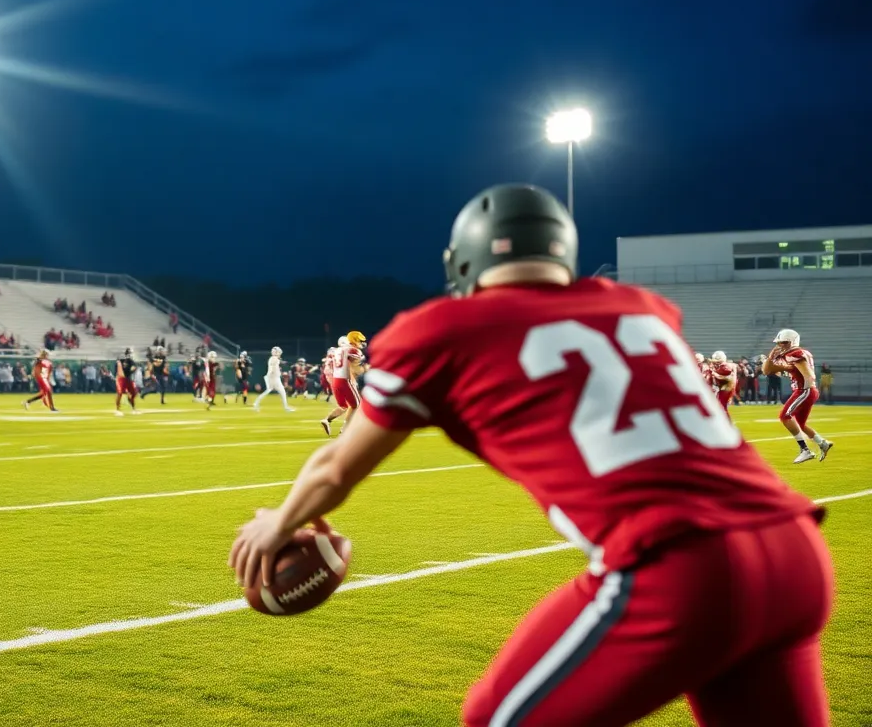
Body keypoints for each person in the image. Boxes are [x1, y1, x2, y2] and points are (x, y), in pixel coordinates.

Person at [229, 183, 833, 727]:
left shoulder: (440, 329)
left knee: (496, 717)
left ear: (465, 261)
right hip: (796, 555)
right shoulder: (641, 308)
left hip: (681, 567)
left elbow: (338, 464)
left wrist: (277, 523)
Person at [762, 330, 833, 464]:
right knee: (800, 424)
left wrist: (804, 388)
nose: (780, 345)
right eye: (778, 343)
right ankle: (822, 443)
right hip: (805, 390)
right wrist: (770, 357)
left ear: (792, 342)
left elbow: (810, 376)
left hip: (804, 389)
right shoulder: (788, 355)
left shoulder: (795, 354)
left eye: (784, 342)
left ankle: (805, 450)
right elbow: (767, 370)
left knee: (784, 416)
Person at [319, 331, 367, 436]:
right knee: (356, 405)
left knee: (343, 406)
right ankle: (345, 429)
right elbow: (356, 369)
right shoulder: (353, 350)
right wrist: (367, 368)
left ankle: (327, 420)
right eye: (359, 340)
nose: (361, 343)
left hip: (335, 380)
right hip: (345, 380)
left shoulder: (337, 350)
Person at [254, 346, 295, 412]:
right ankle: (286, 407)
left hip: (273, 377)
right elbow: (271, 368)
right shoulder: (274, 358)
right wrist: (269, 375)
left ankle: (256, 403)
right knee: (281, 392)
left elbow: (275, 366)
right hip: (274, 378)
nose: (279, 354)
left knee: (271, 391)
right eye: (279, 352)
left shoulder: (273, 358)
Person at [114, 347, 140, 416]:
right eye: (131, 353)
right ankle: (117, 410)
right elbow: (118, 369)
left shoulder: (130, 361)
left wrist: (132, 370)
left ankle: (133, 408)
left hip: (128, 378)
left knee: (133, 393)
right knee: (120, 393)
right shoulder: (121, 360)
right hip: (121, 378)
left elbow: (134, 367)